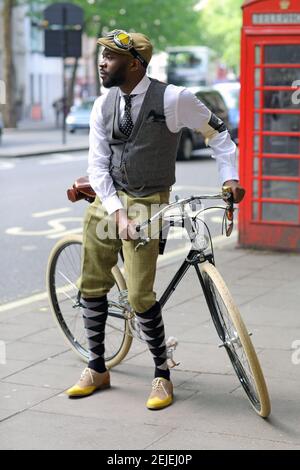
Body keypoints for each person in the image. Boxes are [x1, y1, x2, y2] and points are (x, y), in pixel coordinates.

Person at [66, 29, 245, 410]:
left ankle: (162, 373)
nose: (102, 63)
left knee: (140, 293)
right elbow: (97, 166)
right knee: (93, 283)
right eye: (102, 56)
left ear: (134, 63)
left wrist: (230, 177)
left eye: (110, 57)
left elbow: (219, 135)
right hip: (108, 198)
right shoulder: (103, 104)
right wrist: (116, 212)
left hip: (149, 200)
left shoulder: (174, 99)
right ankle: (97, 367)